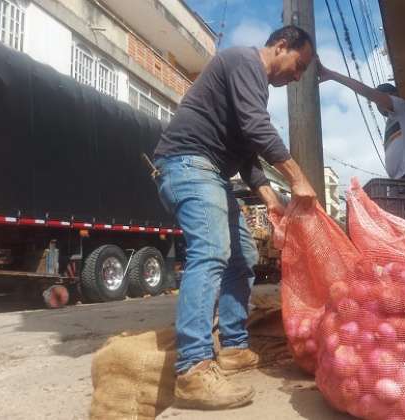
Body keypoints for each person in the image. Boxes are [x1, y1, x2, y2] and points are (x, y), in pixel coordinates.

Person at [152, 25, 317, 411]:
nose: (297, 76)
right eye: (299, 65)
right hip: (187, 163)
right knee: (211, 251)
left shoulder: (251, 86)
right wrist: (299, 180)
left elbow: (247, 157)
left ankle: (234, 347)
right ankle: (193, 368)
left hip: (209, 169)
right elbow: (258, 129)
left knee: (243, 256)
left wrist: (272, 202)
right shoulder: (244, 61)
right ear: (281, 46)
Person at [317, 62, 405, 181]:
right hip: (399, 182)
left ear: (391, 96)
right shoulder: (394, 121)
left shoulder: (401, 107)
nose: (378, 105)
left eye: (378, 101)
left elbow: (368, 93)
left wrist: (333, 75)